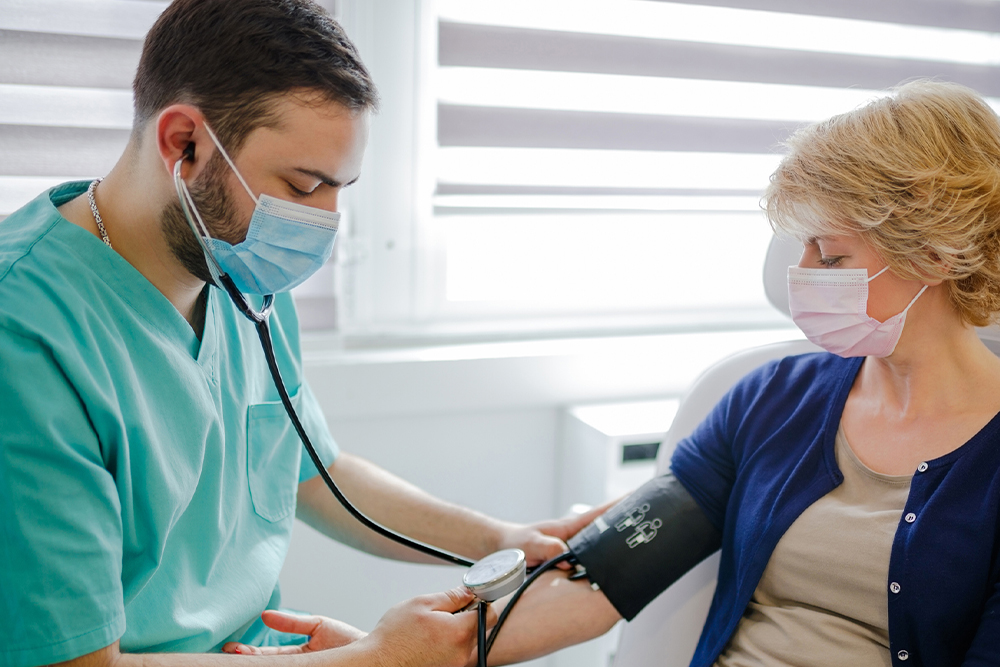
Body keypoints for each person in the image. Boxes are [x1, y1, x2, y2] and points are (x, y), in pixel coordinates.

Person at [0, 2, 599, 666]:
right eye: (304, 185)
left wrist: (499, 536)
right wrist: (379, 657)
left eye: (340, 189)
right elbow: (77, 663)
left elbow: (314, 472)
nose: (323, 223)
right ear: (183, 142)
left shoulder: (241, 272)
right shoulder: (24, 337)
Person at [480, 80, 1000, 666]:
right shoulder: (771, 397)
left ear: (935, 254)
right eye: (801, 248)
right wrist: (404, 651)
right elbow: (603, 578)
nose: (801, 272)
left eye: (830, 257)